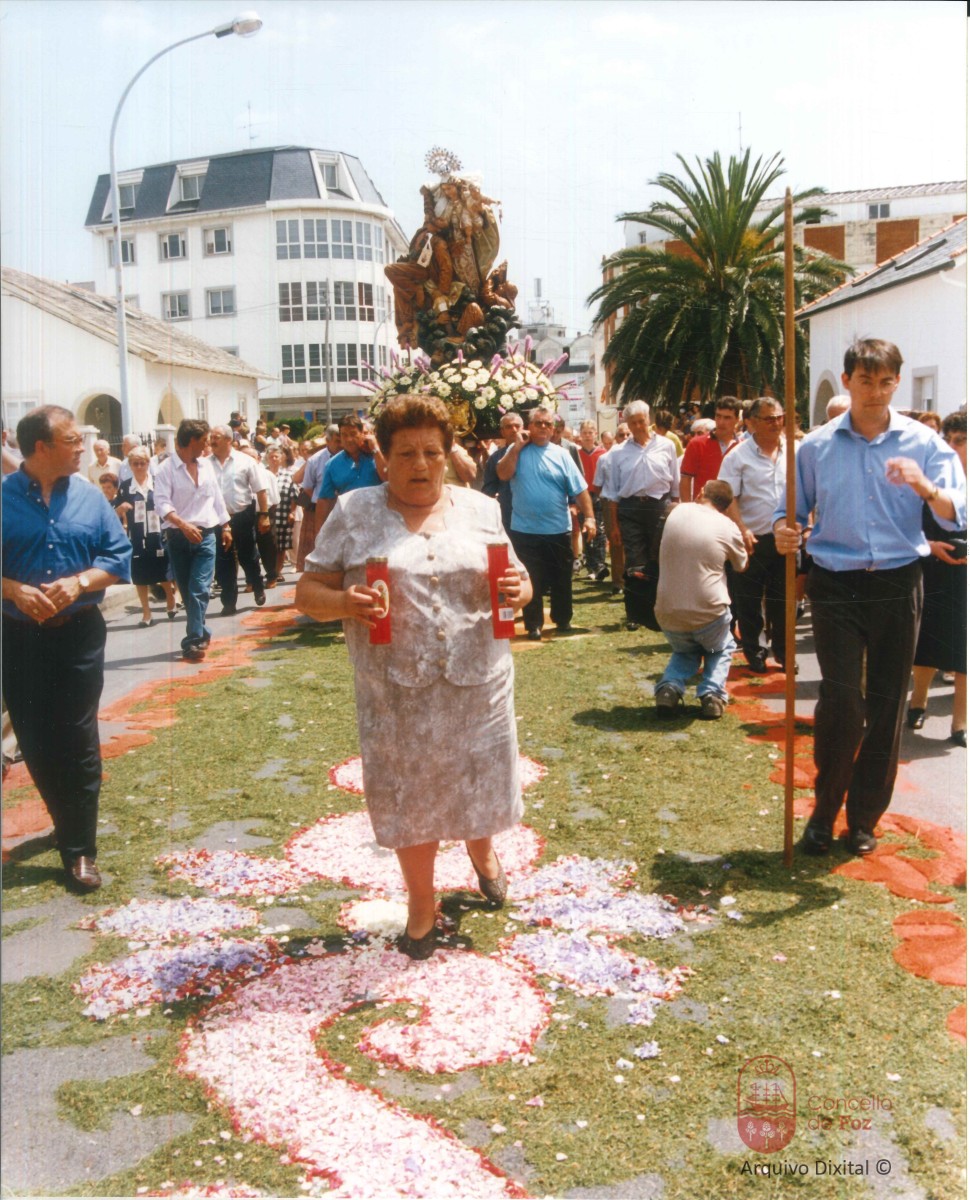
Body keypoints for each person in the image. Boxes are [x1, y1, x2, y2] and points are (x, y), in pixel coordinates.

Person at [295, 395, 532, 959]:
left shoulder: (482, 510)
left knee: (478, 781)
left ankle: (482, 852)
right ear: (382, 458)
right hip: (395, 692)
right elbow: (307, 592)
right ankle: (422, 906)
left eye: (432, 452)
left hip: (480, 683)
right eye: (405, 454)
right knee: (411, 799)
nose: (420, 465)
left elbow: (519, 581)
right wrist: (345, 602)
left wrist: (520, 591)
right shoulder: (353, 511)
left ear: (449, 455)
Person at [774, 339, 966, 856]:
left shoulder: (924, 445)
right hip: (836, 583)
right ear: (847, 381)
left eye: (885, 382)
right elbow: (790, 511)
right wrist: (784, 531)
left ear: (897, 383)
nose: (876, 392)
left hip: (897, 583)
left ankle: (863, 820)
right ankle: (823, 812)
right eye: (865, 381)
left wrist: (925, 487)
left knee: (886, 704)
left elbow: (958, 513)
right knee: (840, 702)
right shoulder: (816, 447)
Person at [2, 405, 132, 892]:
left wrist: (80, 582)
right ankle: (65, 818)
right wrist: (13, 590)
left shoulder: (90, 497)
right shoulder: (2, 498)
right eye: (72, 440)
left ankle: (79, 849)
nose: (83, 447)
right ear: (41, 447)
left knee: (77, 737)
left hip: (78, 633)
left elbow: (117, 557)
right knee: (36, 738)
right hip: (17, 637)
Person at [497, 405, 596, 640]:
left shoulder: (562, 454)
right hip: (525, 530)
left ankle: (563, 619)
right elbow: (502, 474)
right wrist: (516, 447)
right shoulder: (516, 450)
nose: (543, 427)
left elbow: (580, 490)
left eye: (547, 424)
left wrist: (590, 517)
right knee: (531, 578)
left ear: (553, 429)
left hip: (558, 529)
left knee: (562, 578)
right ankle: (534, 625)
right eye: (538, 423)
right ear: (529, 426)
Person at [654, 479, 748, 719]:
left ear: (701, 492)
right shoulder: (727, 525)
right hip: (708, 611)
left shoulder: (677, 511)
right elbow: (741, 565)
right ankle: (712, 694)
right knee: (722, 646)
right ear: (726, 506)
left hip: (667, 610)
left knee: (686, 650)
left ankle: (669, 687)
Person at [907, 411, 967, 746]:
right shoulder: (932, 479)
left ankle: (960, 723)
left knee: (965, 648)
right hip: (933, 567)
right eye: (949, 439)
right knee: (927, 640)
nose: (953, 447)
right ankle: (918, 702)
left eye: (961, 440)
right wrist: (929, 546)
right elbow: (909, 525)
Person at [718, 396, 789, 672]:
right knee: (749, 600)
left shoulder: (794, 451)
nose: (775, 423)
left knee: (783, 600)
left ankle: (784, 652)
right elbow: (728, 497)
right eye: (769, 419)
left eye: (779, 418)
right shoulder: (737, 457)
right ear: (752, 422)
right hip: (751, 538)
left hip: (784, 538)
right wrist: (742, 528)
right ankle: (755, 651)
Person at [154, 419, 232, 662]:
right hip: (178, 536)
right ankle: (202, 631)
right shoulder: (165, 469)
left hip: (206, 535)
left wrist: (225, 525)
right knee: (188, 593)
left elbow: (216, 497)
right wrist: (183, 525)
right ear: (191, 441)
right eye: (204, 441)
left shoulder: (206, 466)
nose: (208, 446)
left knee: (199, 587)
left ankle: (193, 641)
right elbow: (161, 504)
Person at [599, 400, 680, 632]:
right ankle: (635, 613)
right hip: (631, 509)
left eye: (641, 421)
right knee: (635, 562)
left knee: (660, 559)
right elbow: (612, 492)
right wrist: (614, 525)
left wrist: (677, 510)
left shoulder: (667, 445)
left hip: (659, 507)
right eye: (632, 423)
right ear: (627, 424)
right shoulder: (618, 453)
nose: (637, 427)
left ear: (649, 420)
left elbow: (675, 484)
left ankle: (661, 612)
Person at [209, 424, 271, 613]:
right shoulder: (204, 463)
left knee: (248, 556)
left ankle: (257, 585)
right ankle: (228, 602)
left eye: (216, 437)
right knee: (223, 561)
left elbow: (260, 490)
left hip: (242, 515)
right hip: (217, 519)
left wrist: (264, 516)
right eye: (211, 437)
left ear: (228, 440)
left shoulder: (245, 461)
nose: (212, 440)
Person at [115, 446, 177, 626]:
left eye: (142, 463)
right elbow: (116, 511)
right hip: (136, 536)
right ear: (130, 465)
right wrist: (121, 509)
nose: (139, 467)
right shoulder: (125, 487)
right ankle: (146, 613)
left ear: (148, 463)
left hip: (158, 534)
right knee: (140, 576)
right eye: (135, 464)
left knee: (163, 571)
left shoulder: (158, 482)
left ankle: (170, 598)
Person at [314, 414, 383, 530]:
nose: (349, 439)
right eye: (344, 435)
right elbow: (325, 500)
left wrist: (376, 449)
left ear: (362, 434)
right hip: (350, 526)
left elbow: (389, 479)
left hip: (380, 522)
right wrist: (319, 534)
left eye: (353, 434)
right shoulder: (332, 465)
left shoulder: (377, 456)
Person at [679, 398, 741, 501]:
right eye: (718, 416)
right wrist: (688, 508)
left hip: (734, 508)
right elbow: (685, 479)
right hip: (703, 507)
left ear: (737, 419)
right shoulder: (697, 444)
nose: (721, 422)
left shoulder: (742, 447)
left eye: (727, 418)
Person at [577, 420, 608, 580]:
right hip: (582, 496)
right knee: (586, 531)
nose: (588, 436)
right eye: (585, 433)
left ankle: (600, 565)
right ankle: (591, 566)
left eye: (590, 433)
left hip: (599, 494)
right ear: (580, 435)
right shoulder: (576, 454)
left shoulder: (603, 453)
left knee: (600, 531)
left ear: (595, 434)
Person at [481, 411, 523, 534]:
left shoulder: (534, 453)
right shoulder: (495, 458)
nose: (514, 430)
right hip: (508, 517)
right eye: (509, 427)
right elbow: (489, 491)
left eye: (517, 426)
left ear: (523, 428)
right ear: (502, 432)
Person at [266, 445, 300, 582]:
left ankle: (277, 572)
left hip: (283, 514)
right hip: (266, 515)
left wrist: (292, 512)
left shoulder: (288, 475)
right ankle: (270, 571)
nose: (274, 459)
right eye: (271, 457)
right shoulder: (262, 474)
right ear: (267, 459)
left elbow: (294, 495)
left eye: (276, 456)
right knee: (268, 545)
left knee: (281, 545)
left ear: (281, 458)